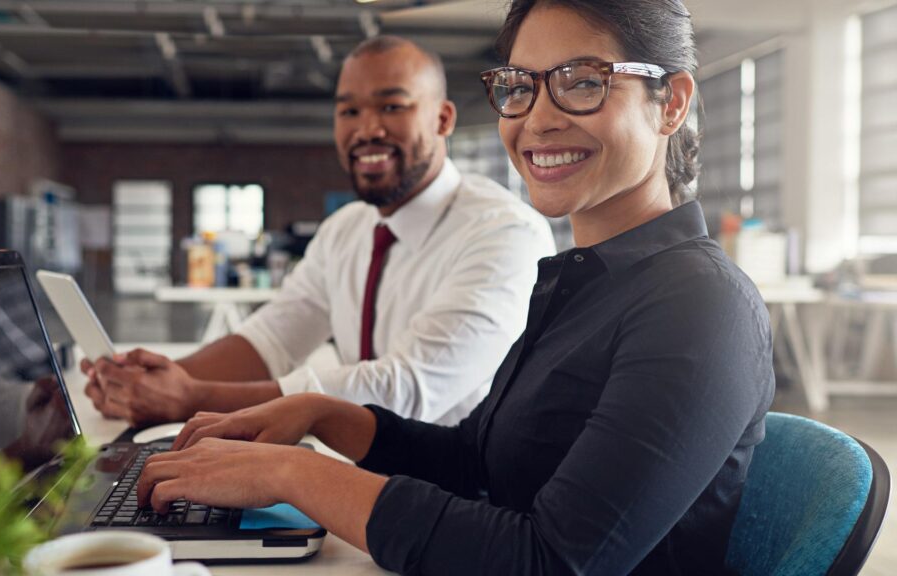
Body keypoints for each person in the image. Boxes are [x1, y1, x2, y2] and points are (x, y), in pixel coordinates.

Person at [136, 1, 775, 573]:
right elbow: (479, 463)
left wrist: (293, 472)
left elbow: (550, 560)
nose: (538, 120)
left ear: (671, 102)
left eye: (583, 83)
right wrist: (323, 415)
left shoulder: (700, 305)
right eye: (520, 88)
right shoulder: (586, 282)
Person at [83, 36, 555, 427]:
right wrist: (152, 383)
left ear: (442, 119)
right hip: (363, 477)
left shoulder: (505, 235)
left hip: (467, 501)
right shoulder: (345, 230)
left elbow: (403, 391)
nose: (367, 129)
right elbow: (270, 341)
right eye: (348, 112)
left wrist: (192, 398)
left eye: (392, 105)